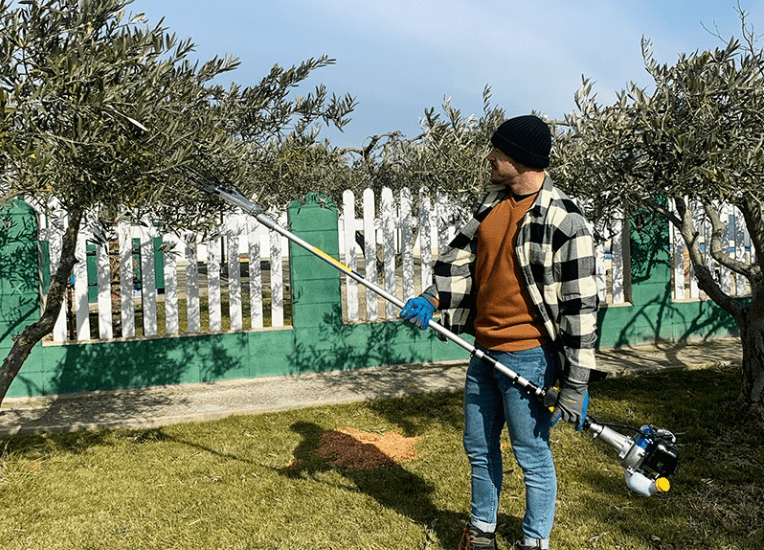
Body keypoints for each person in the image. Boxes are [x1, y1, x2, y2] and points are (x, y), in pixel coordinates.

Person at [400, 115, 599, 550]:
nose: (490, 158)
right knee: (478, 447)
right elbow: (465, 266)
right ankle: (483, 533)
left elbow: (581, 308)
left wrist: (576, 383)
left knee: (531, 455)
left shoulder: (565, 220)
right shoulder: (492, 205)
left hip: (529, 356)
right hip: (483, 351)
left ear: (522, 158)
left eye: (499, 152)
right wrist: (432, 298)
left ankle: (533, 541)